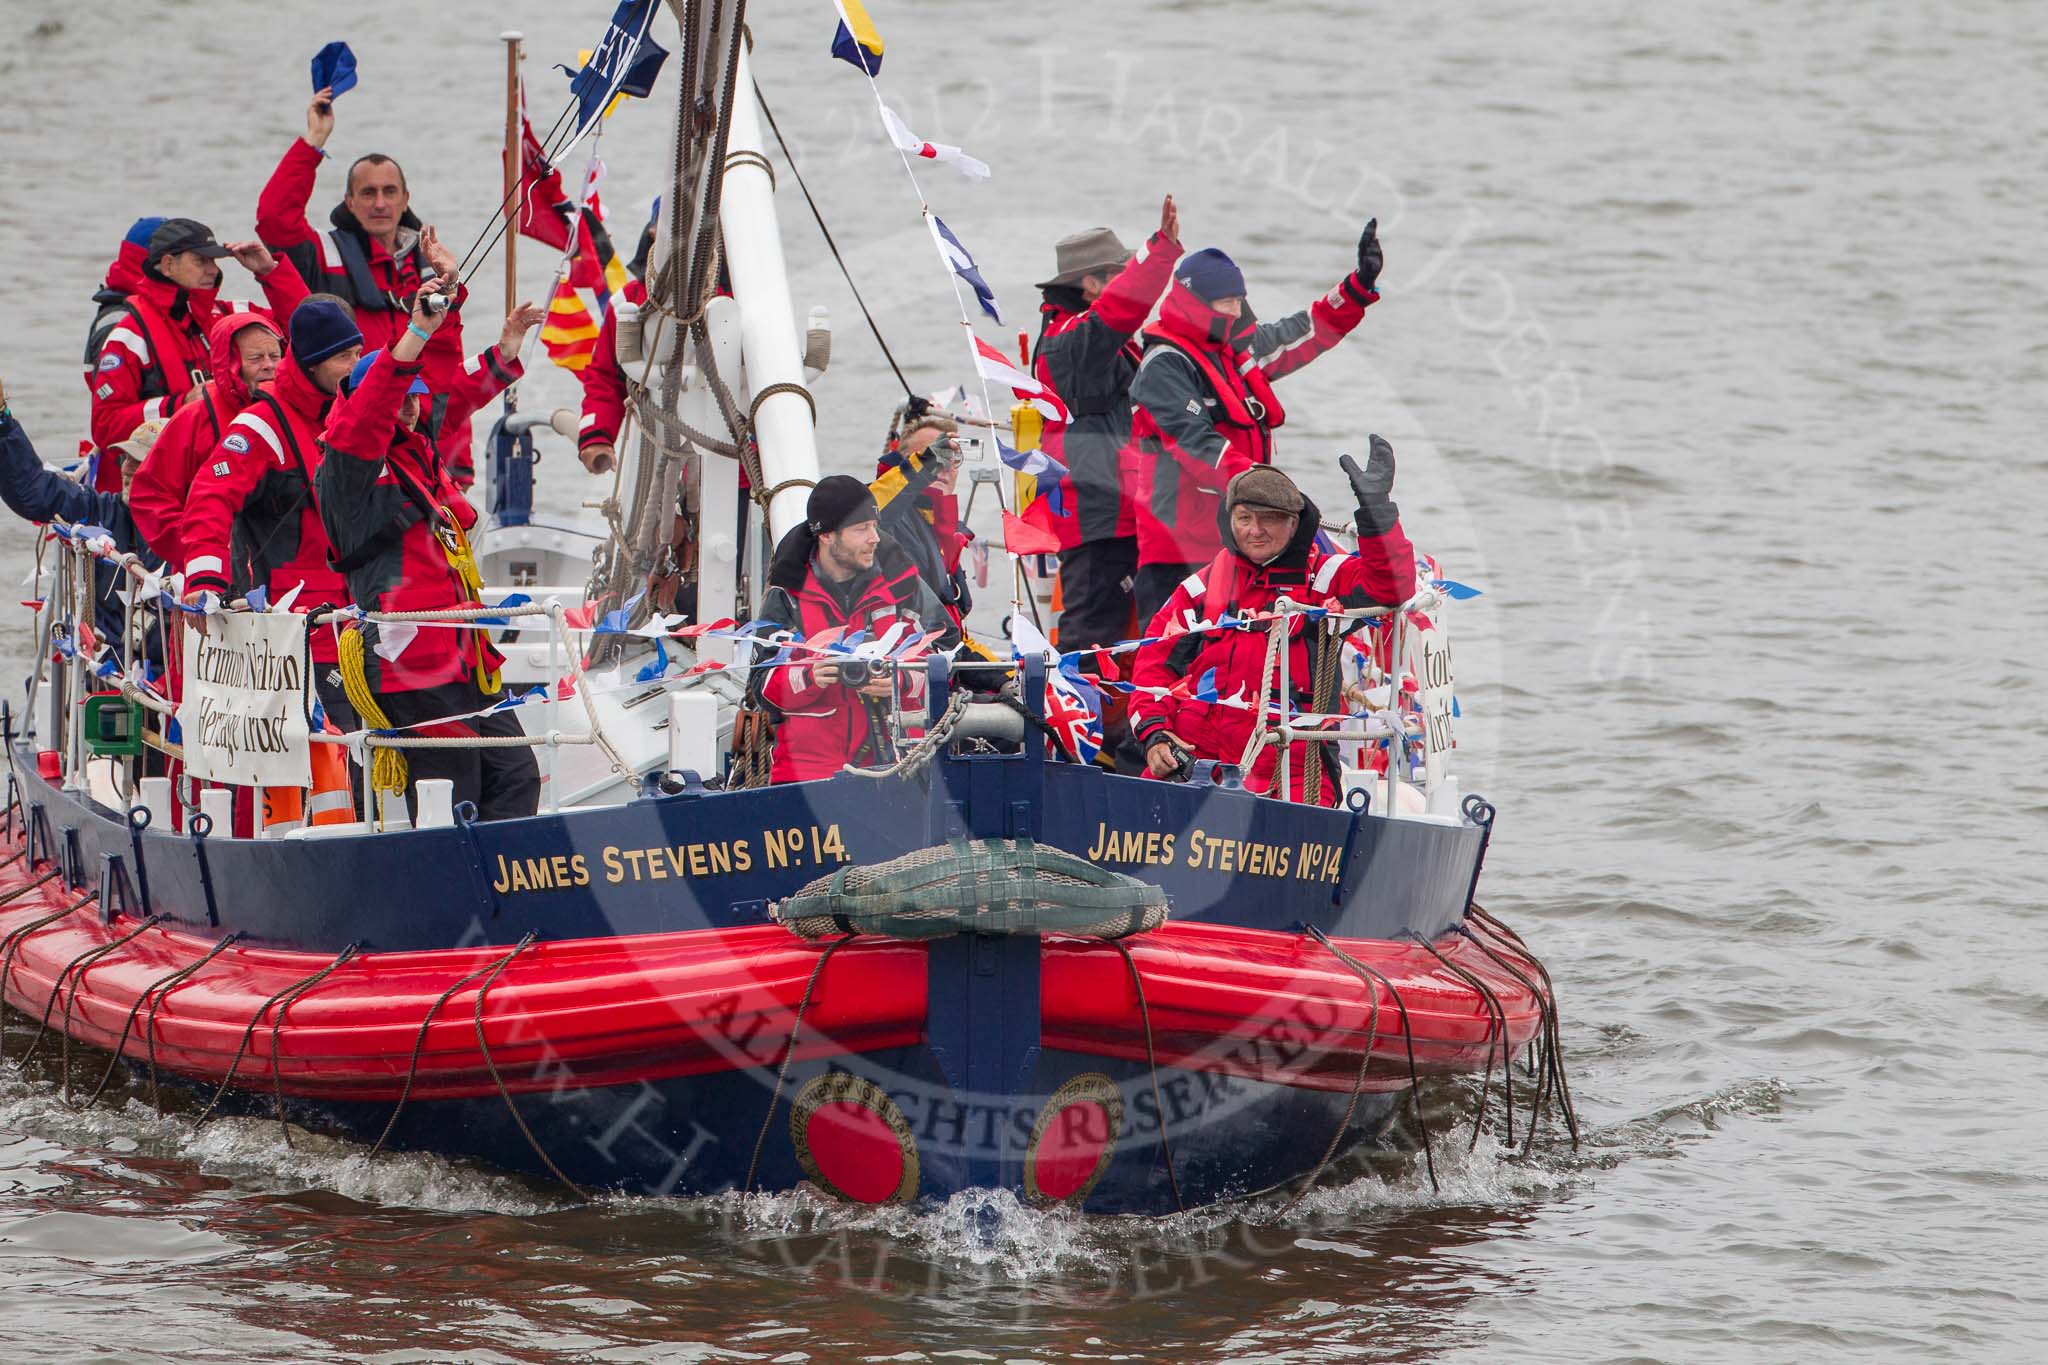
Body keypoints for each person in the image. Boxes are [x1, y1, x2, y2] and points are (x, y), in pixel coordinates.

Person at [315, 281, 545, 822]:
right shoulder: (348, 464)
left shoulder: (419, 455)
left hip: (464, 653)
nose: (413, 406)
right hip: (409, 663)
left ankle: (507, 891)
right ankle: (456, 899)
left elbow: (456, 391)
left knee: (516, 777)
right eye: (402, 396)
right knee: (451, 794)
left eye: (415, 395)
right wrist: (417, 331)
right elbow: (367, 412)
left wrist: (504, 350)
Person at [1125, 220, 1386, 621]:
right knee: (1178, 654)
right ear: (1194, 302)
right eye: (1224, 303)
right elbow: (1199, 446)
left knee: (1239, 651)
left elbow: (1304, 332)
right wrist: (1275, 496)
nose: (1235, 311)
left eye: (1238, 301)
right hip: (1178, 550)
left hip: (1239, 539)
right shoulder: (1165, 366)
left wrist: (1357, 288)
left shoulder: (1232, 349)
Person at [1127, 444, 1416, 805]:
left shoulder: (1325, 578)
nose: (1255, 530)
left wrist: (1377, 514)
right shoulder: (1200, 588)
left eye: (1269, 519)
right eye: (1245, 518)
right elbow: (1152, 667)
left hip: (1292, 763)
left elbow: (1393, 586)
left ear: (1294, 524)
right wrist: (1155, 734)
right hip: (1196, 760)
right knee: (1129, 814)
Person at [255, 87, 478, 482]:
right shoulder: (323, 255)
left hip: (425, 453)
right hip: (352, 447)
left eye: (389, 192)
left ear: (405, 198)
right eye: (368, 193)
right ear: (349, 201)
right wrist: (314, 143)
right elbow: (274, 220)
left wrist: (452, 282)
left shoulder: (432, 264)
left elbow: (446, 371)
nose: (379, 203)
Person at [179, 294, 364, 728]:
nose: (355, 367)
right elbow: (208, 498)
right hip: (294, 628)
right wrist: (204, 580)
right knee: (335, 753)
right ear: (311, 363)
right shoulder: (260, 426)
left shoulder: (356, 415)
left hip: (361, 618)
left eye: (358, 354)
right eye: (343, 357)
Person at [1032, 197, 1183, 649]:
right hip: (1096, 509)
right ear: (1089, 285)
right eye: (1116, 276)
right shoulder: (1074, 340)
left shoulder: (1082, 336)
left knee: (1116, 621)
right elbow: (1120, 309)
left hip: (1112, 503)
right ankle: (1072, 716)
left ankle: (1115, 713)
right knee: (1093, 626)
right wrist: (1158, 253)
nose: (1124, 286)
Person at [752, 475, 953, 784]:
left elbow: (945, 657)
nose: (875, 538)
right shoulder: (787, 595)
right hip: (806, 778)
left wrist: (899, 681)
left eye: (874, 526)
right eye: (861, 529)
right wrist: (808, 676)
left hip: (896, 769)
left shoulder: (901, 585)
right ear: (827, 536)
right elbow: (760, 685)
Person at [86, 218, 306, 492]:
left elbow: (310, 330)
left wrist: (270, 272)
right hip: (162, 485)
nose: (212, 271)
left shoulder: (230, 314)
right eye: (201, 261)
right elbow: (105, 427)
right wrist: (179, 404)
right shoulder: (128, 337)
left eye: (214, 261)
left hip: (232, 474)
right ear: (167, 265)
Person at [127, 310, 285, 569]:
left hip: (286, 572)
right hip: (210, 574)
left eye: (275, 356)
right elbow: (150, 495)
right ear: (231, 364)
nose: (269, 365)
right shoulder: (195, 419)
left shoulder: (296, 413)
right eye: (256, 358)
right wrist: (197, 553)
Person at [870, 413, 972, 630]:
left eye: (952, 458)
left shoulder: (945, 531)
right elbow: (869, 509)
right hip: (903, 654)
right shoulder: (882, 522)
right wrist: (927, 461)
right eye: (936, 454)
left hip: (943, 652)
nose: (943, 465)